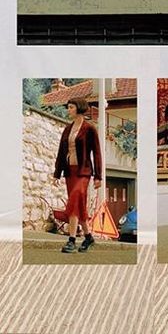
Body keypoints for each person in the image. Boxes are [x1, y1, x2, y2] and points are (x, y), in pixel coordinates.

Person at [52, 98, 102, 254]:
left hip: (83, 172)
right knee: (79, 205)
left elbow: (97, 153)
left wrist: (98, 176)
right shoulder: (67, 129)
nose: (68, 110)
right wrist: (57, 173)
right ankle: (88, 237)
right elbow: (62, 152)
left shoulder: (89, 129)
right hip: (69, 172)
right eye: (68, 107)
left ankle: (71, 240)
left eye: (71, 107)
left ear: (79, 108)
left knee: (74, 199)